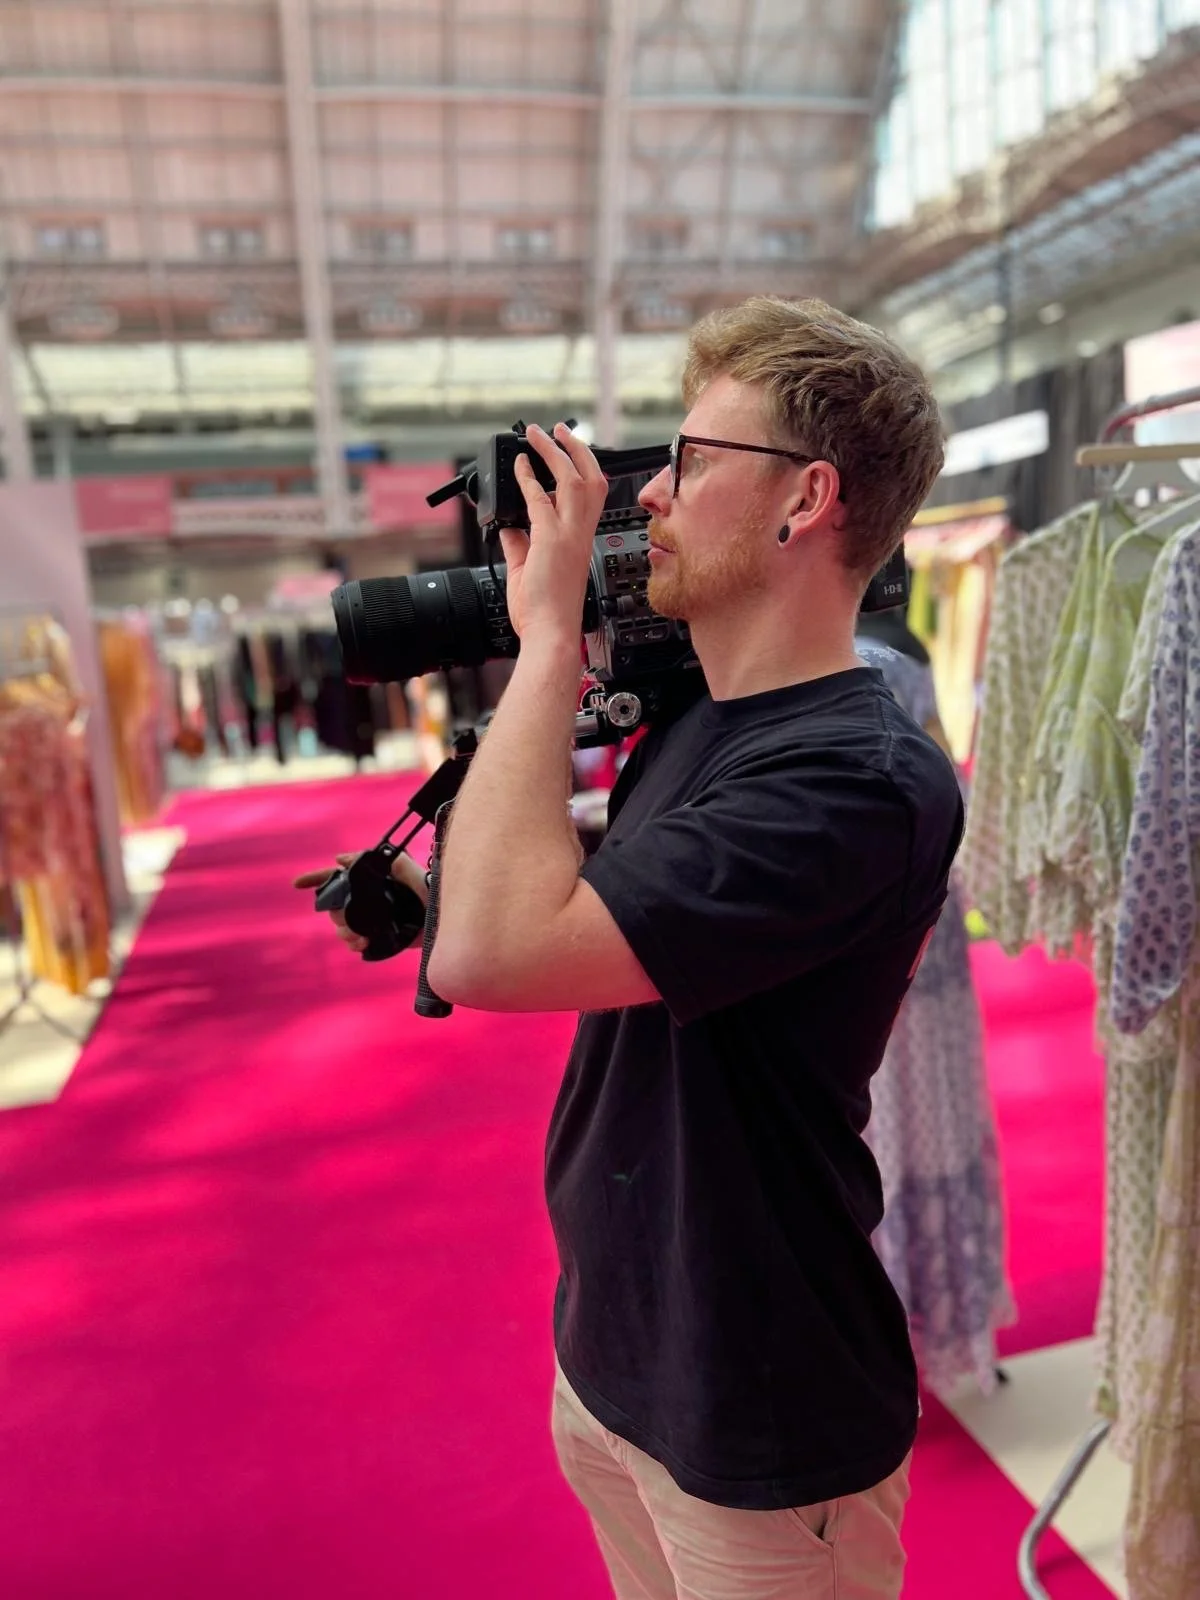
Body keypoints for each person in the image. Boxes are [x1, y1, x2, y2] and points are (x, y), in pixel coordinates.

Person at [297, 296, 963, 1599]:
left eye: (696, 459)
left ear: (807, 498)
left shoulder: (858, 775)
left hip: (759, 1396)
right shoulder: (714, 723)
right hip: (623, 1346)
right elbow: (580, 937)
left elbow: (495, 962)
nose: (651, 492)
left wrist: (546, 636)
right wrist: (434, 911)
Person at [853, 617, 1014, 1400]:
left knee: (909, 1122)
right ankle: (905, 1333)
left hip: (897, 925)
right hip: (894, 923)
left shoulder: (880, 646)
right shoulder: (897, 648)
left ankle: (909, 1332)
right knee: (896, 1124)